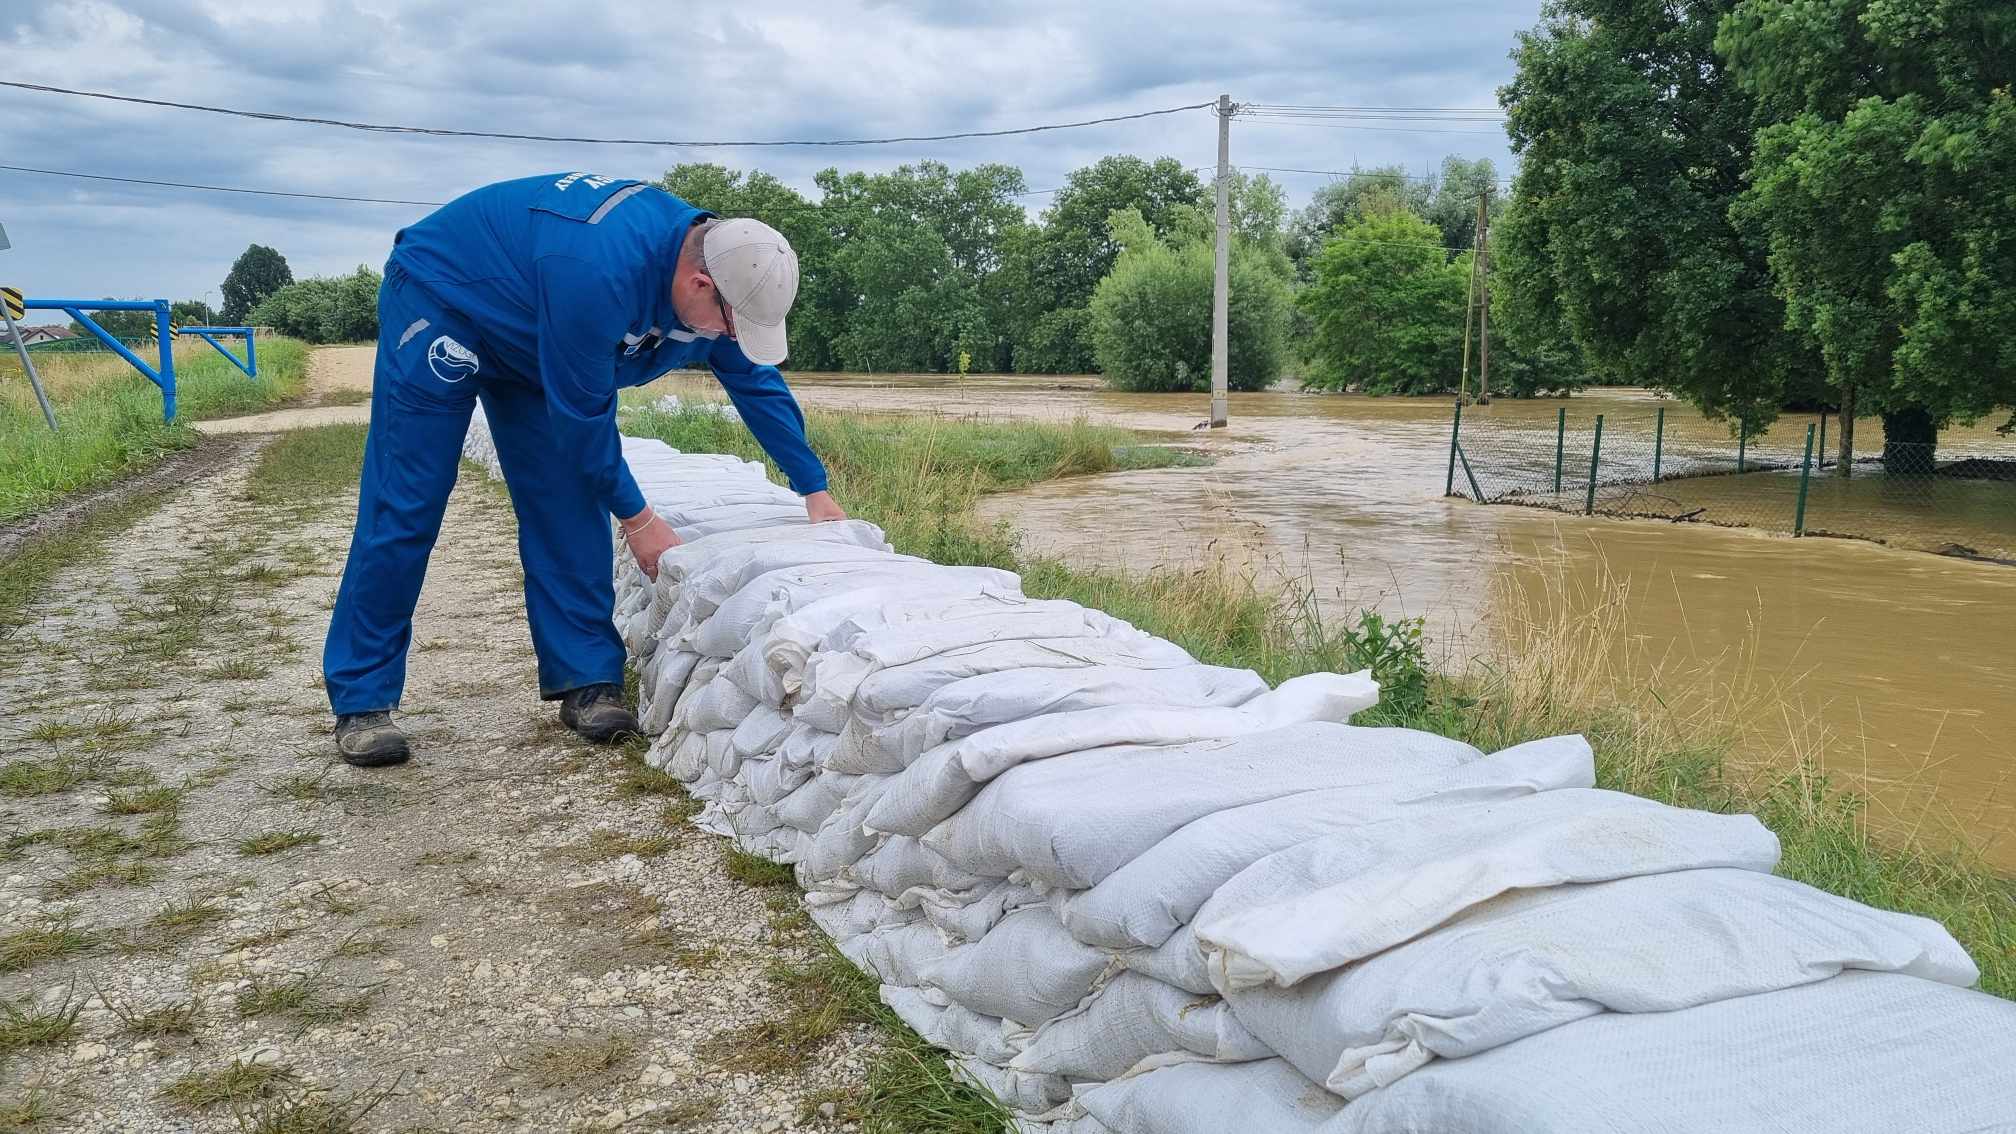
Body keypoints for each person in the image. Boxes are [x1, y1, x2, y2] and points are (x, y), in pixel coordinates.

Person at [322, 172, 844, 767]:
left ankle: (586, 679)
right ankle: (363, 697)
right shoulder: (595, 270)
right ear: (698, 283)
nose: (729, 335)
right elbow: (583, 417)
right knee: (407, 501)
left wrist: (813, 485)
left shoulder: (724, 279)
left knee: (568, 500)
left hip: (535, 332)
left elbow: (755, 378)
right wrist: (640, 518)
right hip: (448, 305)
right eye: (728, 323)